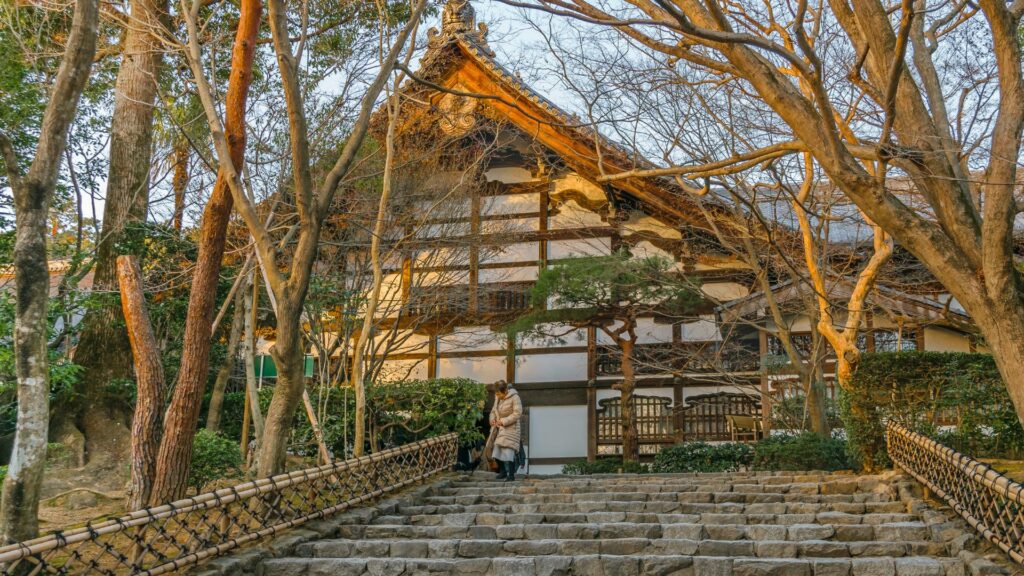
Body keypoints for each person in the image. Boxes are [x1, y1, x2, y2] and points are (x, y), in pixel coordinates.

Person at [489, 380, 522, 482]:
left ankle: (511, 475)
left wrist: (503, 421)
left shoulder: (515, 397)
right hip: (499, 428)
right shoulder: (497, 398)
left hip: (511, 427)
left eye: (499, 393)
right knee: (496, 450)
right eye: (496, 393)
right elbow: (493, 411)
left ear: (506, 390)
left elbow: (517, 413)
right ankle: (503, 472)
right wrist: (492, 419)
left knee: (508, 450)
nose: (497, 395)